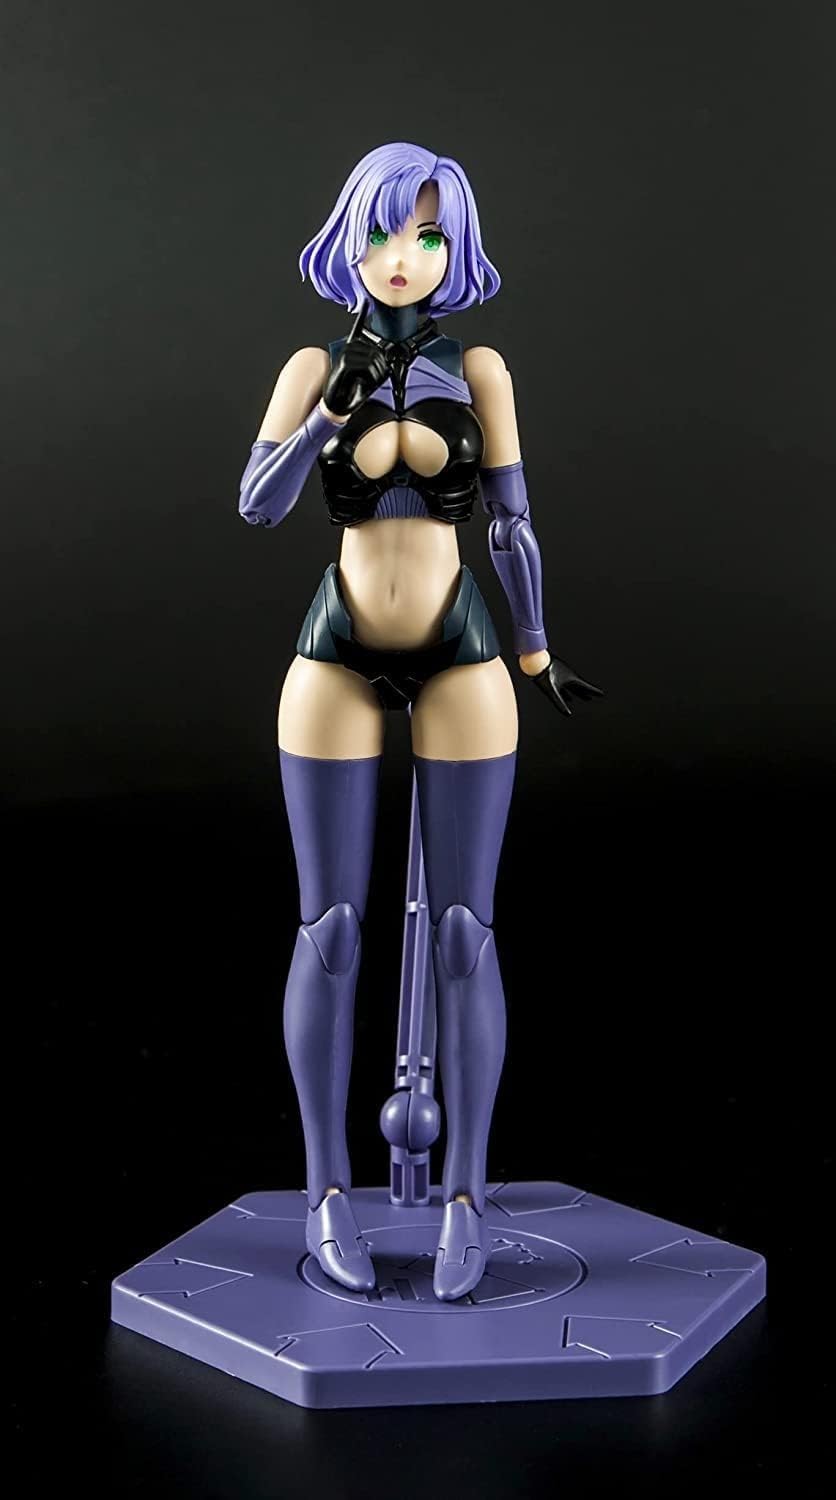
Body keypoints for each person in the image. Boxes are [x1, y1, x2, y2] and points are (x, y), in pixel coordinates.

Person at [239, 142, 601, 1301]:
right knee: (330, 927)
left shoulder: (477, 367)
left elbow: (510, 524)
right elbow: (256, 504)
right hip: (337, 644)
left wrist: (535, 646)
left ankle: (465, 1195)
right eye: (386, 232)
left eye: (428, 235)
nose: (404, 257)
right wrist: (324, 414)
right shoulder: (310, 364)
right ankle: (325, 1189)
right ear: (348, 237)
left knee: (462, 930)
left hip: (459, 643)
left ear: (455, 249)